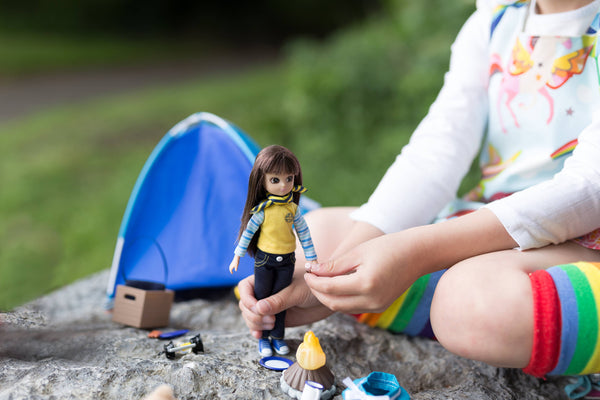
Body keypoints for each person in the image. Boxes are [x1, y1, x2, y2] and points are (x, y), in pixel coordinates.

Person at [236, 0, 600, 386]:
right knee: (324, 239)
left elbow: (589, 189)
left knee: (467, 302)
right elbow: (436, 152)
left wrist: (416, 251)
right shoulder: (496, 19)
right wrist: (333, 274)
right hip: (504, 228)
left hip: (587, 237)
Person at [230, 145, 318, 357]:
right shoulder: (263, 211)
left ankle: (278, 337)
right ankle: (263, 339)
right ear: (263, 181)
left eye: (289, 179)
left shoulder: (292, 209)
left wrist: (312, 258)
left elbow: (304, 233)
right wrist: (237, 256)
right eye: (275, 180)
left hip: (287, 261)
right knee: (262, 299)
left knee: (281, 301)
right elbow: (249, 232)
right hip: (264, 261)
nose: (284, 185)